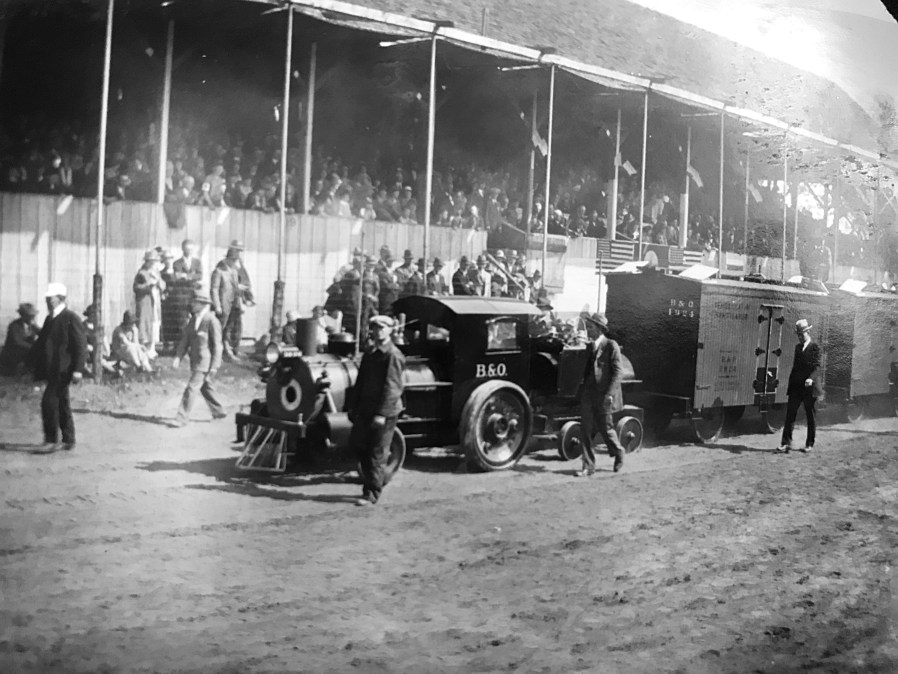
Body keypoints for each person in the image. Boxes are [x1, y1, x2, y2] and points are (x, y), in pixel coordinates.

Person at [347, 315, 405, 506]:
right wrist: (353, 407)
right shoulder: (371, 353)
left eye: (382, 328)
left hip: (384, 413)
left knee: (377, 452)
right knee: (359, 446)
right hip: (365, 409)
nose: (378, 331)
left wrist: (381, 414)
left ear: (390, 330)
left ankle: (371, 493)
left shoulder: (392, 355)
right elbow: (361, 383)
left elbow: (392, 388)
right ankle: (371, 483)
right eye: (375, 328)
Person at [32, 283, 87, 453]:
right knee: (62, 403)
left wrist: (78, 369)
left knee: (49, 402)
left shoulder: (70, 318)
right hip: (52, 368)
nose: (48, 300)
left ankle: (51, 440)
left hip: (64, 369)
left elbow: (80, 345)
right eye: (47, 298)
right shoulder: (50, 319)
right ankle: (69, 438)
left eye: (51, 298)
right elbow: (41, 343)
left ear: (60, 298)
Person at [577, 313, 626, 475]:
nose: (588, 330)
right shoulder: (590, 347)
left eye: (591, 327)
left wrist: (610, 394)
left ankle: (618, 452)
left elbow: (618, 372)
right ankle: (588, 466)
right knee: (585, 429)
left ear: (599, 329)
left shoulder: (611, 345)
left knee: (606, 428)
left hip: (604, 394)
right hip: (589, 395)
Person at [171, 292, 226, 427]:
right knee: (205, 387)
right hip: (195, 361)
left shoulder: (212, 321)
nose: (192, 304)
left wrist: (214, 366)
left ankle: (181, 417)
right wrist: (178, 357)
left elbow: (218, 345)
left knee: (191, 388)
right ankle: (219, 412)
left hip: (205, 362)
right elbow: (185, 341)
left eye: (195, 302)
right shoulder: (193, 320)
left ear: (203, 304)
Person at [777, 319, 822, 453]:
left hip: (810, 388)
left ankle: (809, 444)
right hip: (797, 388)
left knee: (810, 417)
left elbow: (818, 367)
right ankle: (785, 443)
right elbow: (795, 368)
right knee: (790, 414)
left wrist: (810, 379)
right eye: (798, 334)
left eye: (802, 333)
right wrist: (791, 385)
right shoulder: (798, 348)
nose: (800, 336)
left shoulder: (815, 348)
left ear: (808, 331)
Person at [210, 240, 248, 361]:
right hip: (223, 304)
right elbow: (214, 289)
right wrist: (217, 305)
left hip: (234, 304)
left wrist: (242, 299)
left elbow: (236, 287)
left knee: (230, 329)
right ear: (228, 259)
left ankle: (228, 351)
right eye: (233, 260)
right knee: (219, 329)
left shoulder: (234, 271)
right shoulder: (218, 271)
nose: (234, 262)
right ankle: (215, 352)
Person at [133, 249, 166, 358]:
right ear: (146, 261)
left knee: (155, 323)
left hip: (155, 301)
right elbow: (136, 288)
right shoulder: (141, 273)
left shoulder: (156, 272)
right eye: (150, 261)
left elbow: (162, 285)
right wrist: (148, 286)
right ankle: (144, 349)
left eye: (154, 261)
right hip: (145, 301)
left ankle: (152, 348)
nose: (153, 263)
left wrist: (159, 283)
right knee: (145, 323)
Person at [0, 302, 39, 376]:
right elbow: (17, 342)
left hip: (27, 352)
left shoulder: (32, 326)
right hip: (13, 355)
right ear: (23, 315)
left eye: (33, 316)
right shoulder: (14, 326)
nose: (32, 318)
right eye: (30, 316)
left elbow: (42, 334)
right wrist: (33, 348)